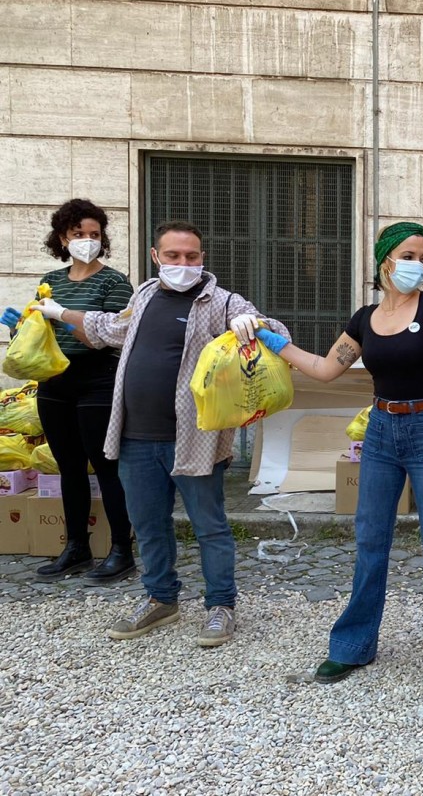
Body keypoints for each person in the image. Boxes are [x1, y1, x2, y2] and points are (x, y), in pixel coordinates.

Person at [242, 221, 423, 696]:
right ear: (386, 260)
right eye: (409, 255)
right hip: (380, 430)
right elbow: (325, 368)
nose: (417, 264)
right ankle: (353, 646)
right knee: (369, 540)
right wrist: (280, 344)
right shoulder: (363, 319)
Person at [34, 221, 289, 648]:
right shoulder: (146, 294)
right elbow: (109, 327)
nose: (183, 264)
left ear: (202, 257)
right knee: (148, 524)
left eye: (192, 256)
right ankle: (160, 599)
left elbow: (274, 331)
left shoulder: (220, 301)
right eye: (173, 256)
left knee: (209, 525)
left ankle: (220, 606)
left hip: (194, 440)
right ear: (156, 256)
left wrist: (253, 321)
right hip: (135, 437)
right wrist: (58, 313)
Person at [2, 200, 136, 585]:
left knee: (106, 465)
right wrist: (21, 328)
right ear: (63, 237)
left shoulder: (114, 282)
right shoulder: (51, 279)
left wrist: (60, 314)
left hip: (97, 378)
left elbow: (105, 336)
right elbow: (40, 335)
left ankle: (121, 551)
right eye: (79, 234)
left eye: (94, 234)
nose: (87, 241)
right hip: (54, 382)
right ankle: (76, 546)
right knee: (69, 467)